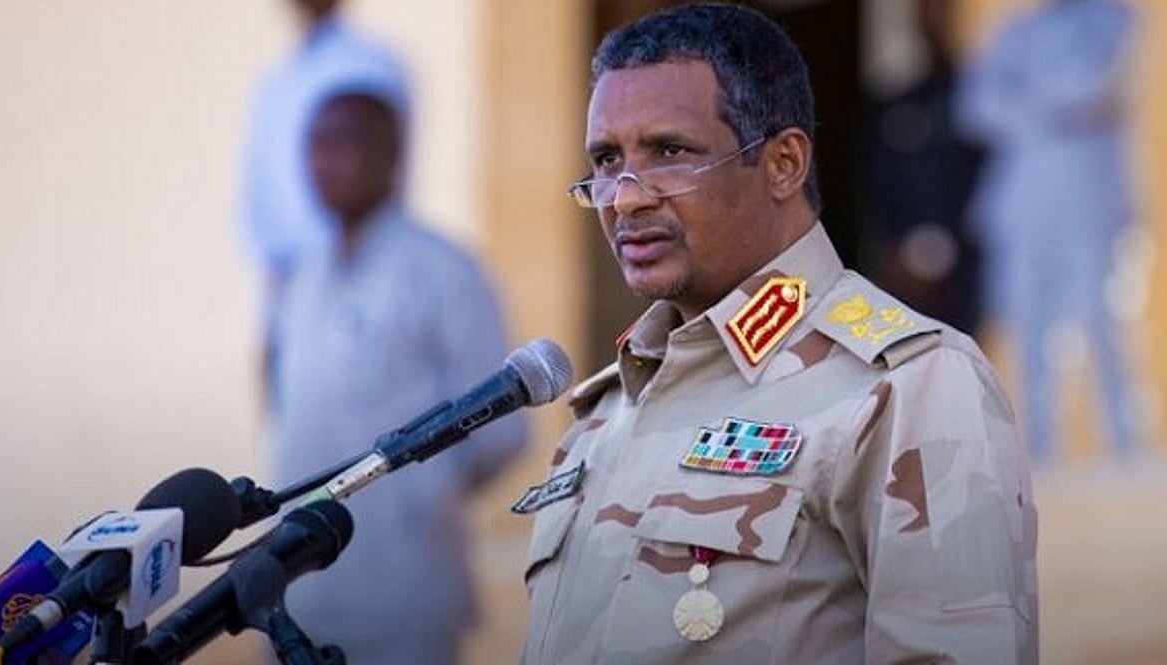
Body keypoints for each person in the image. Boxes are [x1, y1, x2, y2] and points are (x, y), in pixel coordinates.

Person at [518, 4, 1037, 663]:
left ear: (784, 163)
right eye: (605, 159)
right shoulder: (603, 414)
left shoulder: (909, 386)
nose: (624, 197)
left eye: (669, 152)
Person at [268, 68, 529, 663]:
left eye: (344, 143)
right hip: (296, 594)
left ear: (393, 156)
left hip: (404, 592)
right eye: (316, 145)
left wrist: (417, 497)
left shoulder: (442, 269)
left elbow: (501, 428)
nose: (325, 163)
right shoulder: (299, 276)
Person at [956, 0, 1139, 463]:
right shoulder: (1016, 30)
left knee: (1102, 316)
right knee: (1025, 319)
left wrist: (1025, 95)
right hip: (1024, 196)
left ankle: (1122, 440)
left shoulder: (1113, 18)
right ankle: (1038, 445)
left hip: (1089, 192)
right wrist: (1049, 107)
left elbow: (1088, 88)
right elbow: (977, 107)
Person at [240, 0, 406, 401]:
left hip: (357, 274)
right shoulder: (280, 79)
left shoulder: (370, 64)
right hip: (291, 285)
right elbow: (264, 196)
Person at [859, 0, 985, 337]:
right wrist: (892, 251)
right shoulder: (897, 107)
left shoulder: (988, 105)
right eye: (928, 9)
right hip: (903, 276)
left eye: (944, 10)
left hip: (971, 277)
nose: (935, 20)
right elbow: (875, 185)